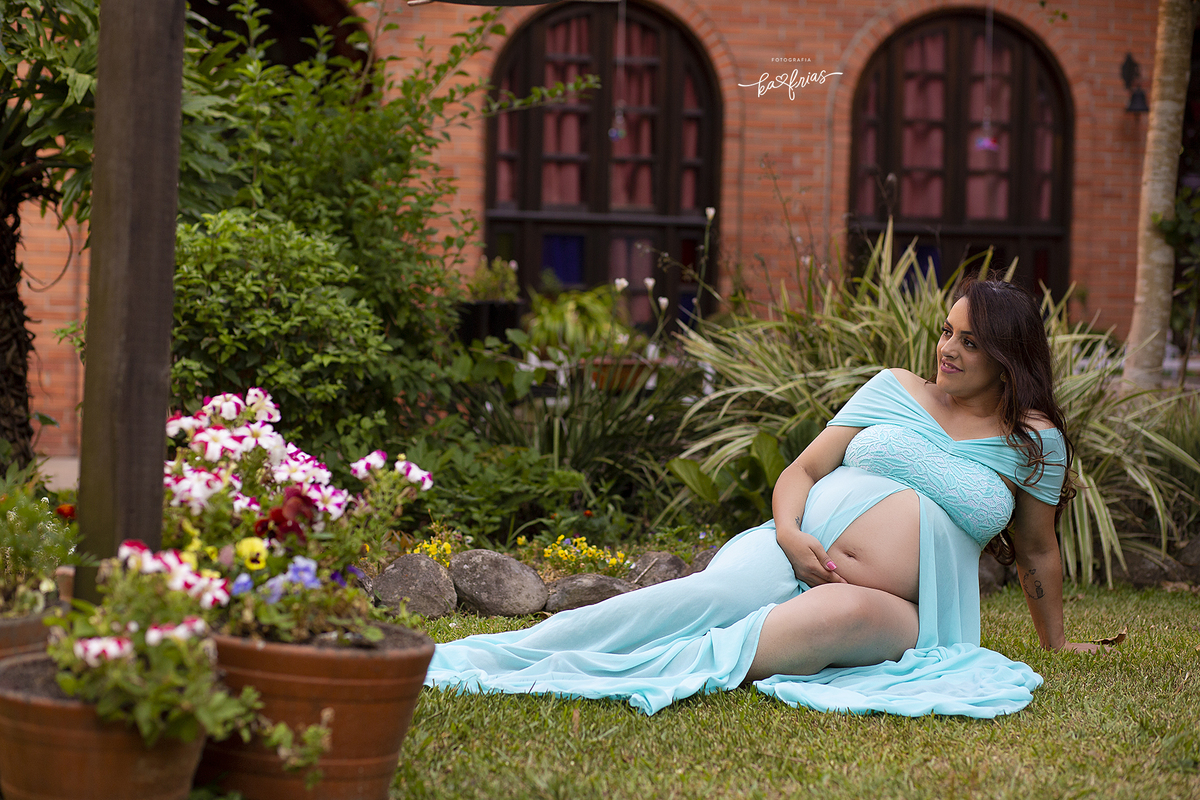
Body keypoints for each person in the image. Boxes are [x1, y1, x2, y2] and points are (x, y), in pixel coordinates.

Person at [425, 279, 1099, 718]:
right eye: (947, 331)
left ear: (1008, 357)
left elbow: (1037, 549)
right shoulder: (895, 387)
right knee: (694, 601)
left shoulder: (1032, 442)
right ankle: (510, 654)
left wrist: (1058, 643)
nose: (946, 349)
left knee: (823, 623)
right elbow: (801, 472)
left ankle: (640, 667)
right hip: (791, 549)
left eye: (969, 342)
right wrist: (788, 533)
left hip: (906, 609)